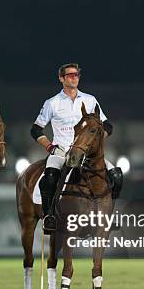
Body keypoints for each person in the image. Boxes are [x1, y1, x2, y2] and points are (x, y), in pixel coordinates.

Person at [30, 63, 123, 231]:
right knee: (50, 179)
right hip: (62, 152)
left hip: (87, 154)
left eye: (77, 74)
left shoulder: (90, 100)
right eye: (70, 75)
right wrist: (50, 147)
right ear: (61, 78)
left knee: (116, 176)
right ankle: (49, 216)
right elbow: (35, 129)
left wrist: (98, 142)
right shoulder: (52, 103)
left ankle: (108, 215)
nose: (74, 77)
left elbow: (107, 125)